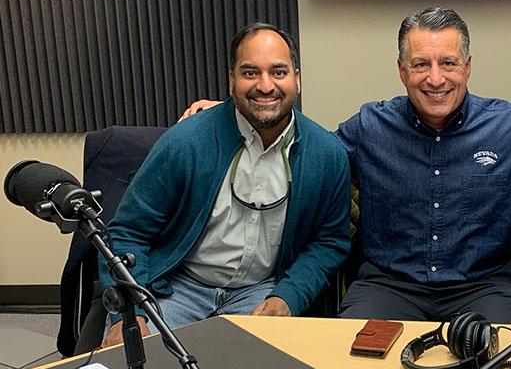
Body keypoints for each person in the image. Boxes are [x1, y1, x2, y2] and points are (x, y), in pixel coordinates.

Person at [181, 7, 511, 324]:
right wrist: (237, 115)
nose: (435, 78)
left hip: (486, 288)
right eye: (420, 65)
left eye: (447, 63)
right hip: (388, 288)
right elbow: (304, 152)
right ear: (402, 71)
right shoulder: (369, 127)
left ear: (466, 67)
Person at [100, 22, 350, 347]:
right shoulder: (185, 143)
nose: (265, 85)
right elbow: (128, 232)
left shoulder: (325, 154)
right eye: (250, 73)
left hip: (260, 290)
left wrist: (287, 298)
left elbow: (329, 242)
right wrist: (129, 314)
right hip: (177, 285)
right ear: (231, 80)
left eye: (278, 72)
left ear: (297, 79)